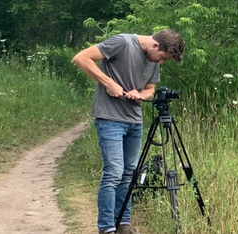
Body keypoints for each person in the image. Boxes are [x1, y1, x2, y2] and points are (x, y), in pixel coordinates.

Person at [70, 28, 184, 234]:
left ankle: (123, 224)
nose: (161, 63)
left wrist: (140, 94)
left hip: (134, 121)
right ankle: (106, 228)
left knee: (129, 174)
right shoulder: (122, 43)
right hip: (110, 118)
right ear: (155, 45)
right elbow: (80, 58)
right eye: (163, 58)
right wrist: (109, 83)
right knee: (113, 173)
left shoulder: (153, 60)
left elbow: (150, 90)